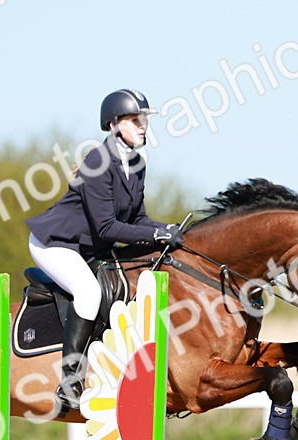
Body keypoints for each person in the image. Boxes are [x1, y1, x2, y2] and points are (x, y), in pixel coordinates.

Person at [26, 88, 183, 411]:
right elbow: (107, 227)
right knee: (88, 292)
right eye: (135, 120)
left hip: (88, 246)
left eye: (144, 120)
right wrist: (155, 233)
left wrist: (167, 231)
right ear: (114, 124)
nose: (143, 126)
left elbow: (137, 217)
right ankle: (70, 380)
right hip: (55, 243)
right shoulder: (98, 160)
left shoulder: (137, 162)